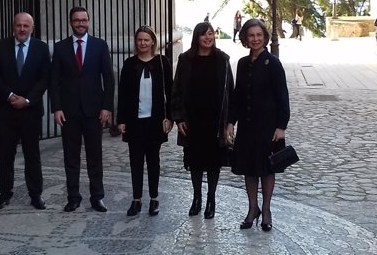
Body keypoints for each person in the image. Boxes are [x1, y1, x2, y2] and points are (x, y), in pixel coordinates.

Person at [50, 6, 115, 213]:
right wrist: (56, 108)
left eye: (84, 20)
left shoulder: (99, 45)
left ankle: (97, 197)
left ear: (88, 22)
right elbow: (54, 81)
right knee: (71, 157)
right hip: (68, 112)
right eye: (77, 20)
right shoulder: (60, 48)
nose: (80, 23)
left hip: (94, 111)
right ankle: (73, 197)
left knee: (95, 156)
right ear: (70, 22)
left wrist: (107, 107)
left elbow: (109, 79)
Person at [227, 18, 290, 232]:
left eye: (259, 35)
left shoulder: (273, 63)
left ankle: (266, 209)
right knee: (249, 169)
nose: (255, 39)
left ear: (264, 37)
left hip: (268, 126)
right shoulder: (243, 64)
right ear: (245, 37)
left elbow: (283, 96)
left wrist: (281, 126)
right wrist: (230, 122)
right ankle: (252, 209)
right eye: (251, 35)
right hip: (247, 125)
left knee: (266, 169)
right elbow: (237, 96)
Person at [171, 22, 234, 220]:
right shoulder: (186, 59)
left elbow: (230, 92)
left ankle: (211, 199)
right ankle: (196, 197)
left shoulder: (222, 60)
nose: (208, 38)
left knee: (214, 163)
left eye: (211, 34)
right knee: (195, 162)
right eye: (204, 35)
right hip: (193, 120)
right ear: (197, 37)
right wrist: (178, 117)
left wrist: (230, 122)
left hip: (215, 121)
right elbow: (177, 90)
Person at [0, 12, 51, 210]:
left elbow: (44, 78)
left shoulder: (41, 48)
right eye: (19, 25)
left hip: (30, 112)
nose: (22, 29)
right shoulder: (0, 47)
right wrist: (10, 96)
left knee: (32, 154)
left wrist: (27, 100)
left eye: (26, 26)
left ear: (32, 28)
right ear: (13, 27)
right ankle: (4, 193)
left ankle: (36, 194)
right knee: (6, 155)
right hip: (5, 111)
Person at [117, 25, 173, 217]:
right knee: (135, 161)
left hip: (155, 120)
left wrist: (170, 118)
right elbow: (123, 94)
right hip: (134, 120)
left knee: (153, 160)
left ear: (153, 42)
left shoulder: (162, 62)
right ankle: (136, 199)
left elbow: (170, 92)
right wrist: (121, 119)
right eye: (139, 40)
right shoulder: (129, 63)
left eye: (146, 40)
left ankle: (154, 198)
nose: (143, 43)